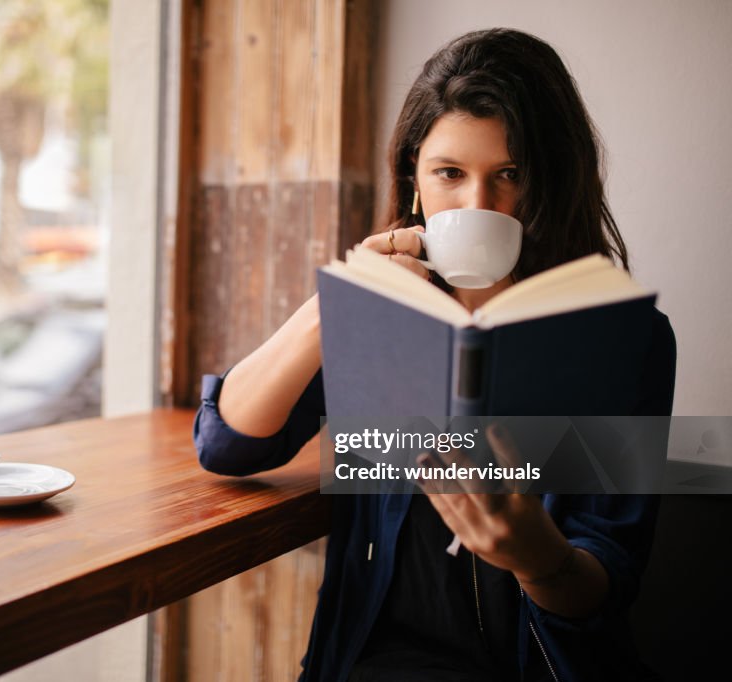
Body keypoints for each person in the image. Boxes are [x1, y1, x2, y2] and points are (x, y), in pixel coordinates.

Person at [193, 28, 676, 682]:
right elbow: (229, 443)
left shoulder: (626, 342)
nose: (481, 205)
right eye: (450, 173)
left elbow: (606, 582)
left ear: (551, 179)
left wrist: (540, 559)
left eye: (511, 174)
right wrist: (333, 309)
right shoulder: (390, 314)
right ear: (415, 182)